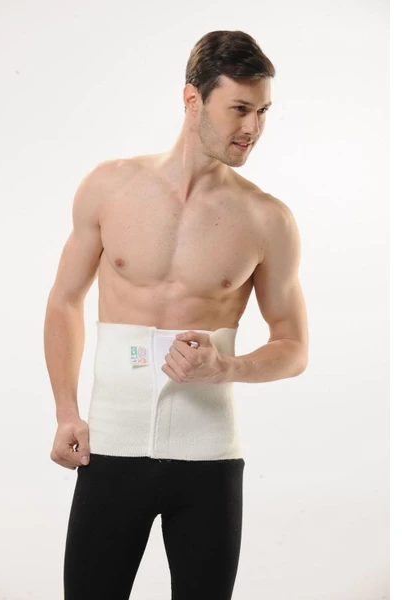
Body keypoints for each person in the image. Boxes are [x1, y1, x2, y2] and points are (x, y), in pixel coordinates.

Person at [44, 29, 308, 600]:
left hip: (208, 457)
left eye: (263, 111)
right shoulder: (109, 187)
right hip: (109, 447)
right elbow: (64, 299)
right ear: (193, 100)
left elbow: (293, 347)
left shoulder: (267, 220)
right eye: (239, 108)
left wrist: (227, 368)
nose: (253, 127)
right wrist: (66, 412)